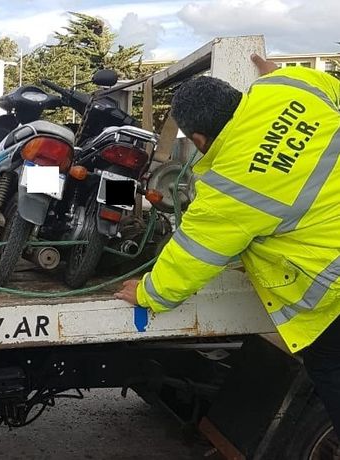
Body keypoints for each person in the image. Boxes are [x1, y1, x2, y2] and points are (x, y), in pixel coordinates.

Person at [115, 54, 340, 430]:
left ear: (199, 140)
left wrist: (147, 293)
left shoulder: (229, 187)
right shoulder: (291, 87)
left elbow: (192, 256)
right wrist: (279, 74)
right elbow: (326, 86)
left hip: (333, 289)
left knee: (330, 365)